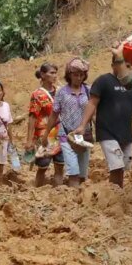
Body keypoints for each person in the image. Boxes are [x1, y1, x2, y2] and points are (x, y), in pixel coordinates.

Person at [73, 45, 132, 188]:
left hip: (126, 134)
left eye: (128, 65)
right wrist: (83, 125)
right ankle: (114, 195)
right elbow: (92, 104)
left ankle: (114, 193)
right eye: (121, 64)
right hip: (107, 132)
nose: (125, 68)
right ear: (113, 65)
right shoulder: (103, 81)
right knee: (117, 166)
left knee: (123, 167)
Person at [44, 58, 92, 187]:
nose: (78, 77)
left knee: (83, 172)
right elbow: (54, 114)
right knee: (73, 171)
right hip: (66, 134)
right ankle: (73, 199)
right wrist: (46, 134)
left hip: (83, 135)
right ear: (69, 75)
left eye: (81, 75)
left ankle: (80, 197)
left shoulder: (88, 90)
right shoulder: (61, 92)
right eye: (75, 74)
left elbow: (94, 111)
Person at [25, 63, 65, 187]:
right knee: (43, 166)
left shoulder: (60, 91)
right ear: (42, 75)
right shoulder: (37, 95)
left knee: (60, 165)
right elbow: (32, 117)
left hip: (60, 133)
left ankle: (60, 192)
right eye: (51, 73)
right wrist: (29, 140)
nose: (54, 76)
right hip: (44, 136)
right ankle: (37, 192)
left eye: (55, 73)